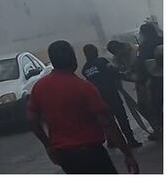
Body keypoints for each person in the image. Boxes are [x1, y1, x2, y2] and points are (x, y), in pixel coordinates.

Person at [28, 40, 139, 174]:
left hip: (65, 156)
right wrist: (127, 154)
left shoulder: (40, 87)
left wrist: (48, 146)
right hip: (91, 153)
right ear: (73, 59)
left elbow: (32, 120)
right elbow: (107, 122)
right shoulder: (83, 87)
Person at [83, 44, 142, 148]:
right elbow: (114, 72)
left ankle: (113, 141)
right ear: (95, 51)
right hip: (111, 94)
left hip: (99, 97)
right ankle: (131, 140)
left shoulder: (85, 69)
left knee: (109, 121)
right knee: (122, 118)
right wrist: (127, 76)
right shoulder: (101, 61)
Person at [138, 23, 163, 140]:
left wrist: (141, 80)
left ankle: (160, 128)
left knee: (156, 105)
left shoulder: (144, 46)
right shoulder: (162, 39)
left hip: (156, 79)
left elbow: (141, 65)